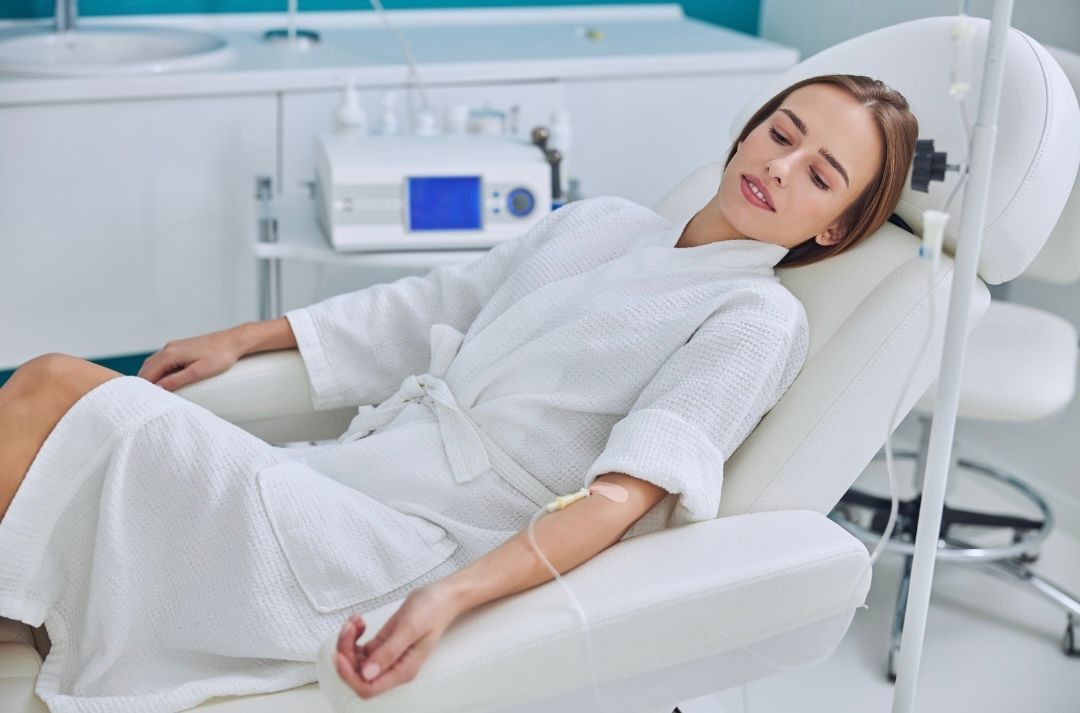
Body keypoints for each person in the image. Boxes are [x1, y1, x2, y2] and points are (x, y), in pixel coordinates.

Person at [0, 73, 917, 709]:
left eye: (820, 175)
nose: (779, 167)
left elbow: (623, 496)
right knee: (60, 409)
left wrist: (448, 600)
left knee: (49, 385)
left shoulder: (754, 319)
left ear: (834, 228)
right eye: (781, 133)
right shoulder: (604, 224)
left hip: (421, 544)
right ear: (750, 127)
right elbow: (431, 307)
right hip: (361, 477)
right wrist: (247, 335)